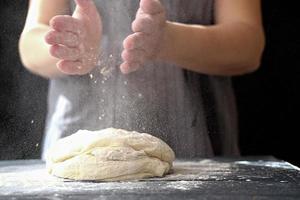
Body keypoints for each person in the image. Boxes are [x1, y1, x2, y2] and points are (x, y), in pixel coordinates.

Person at [19, 0, 265, 160]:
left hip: (195, 155)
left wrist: (169, 41)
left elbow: (248, 47)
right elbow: (30, 44)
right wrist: (69, 46)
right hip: (74, 155)